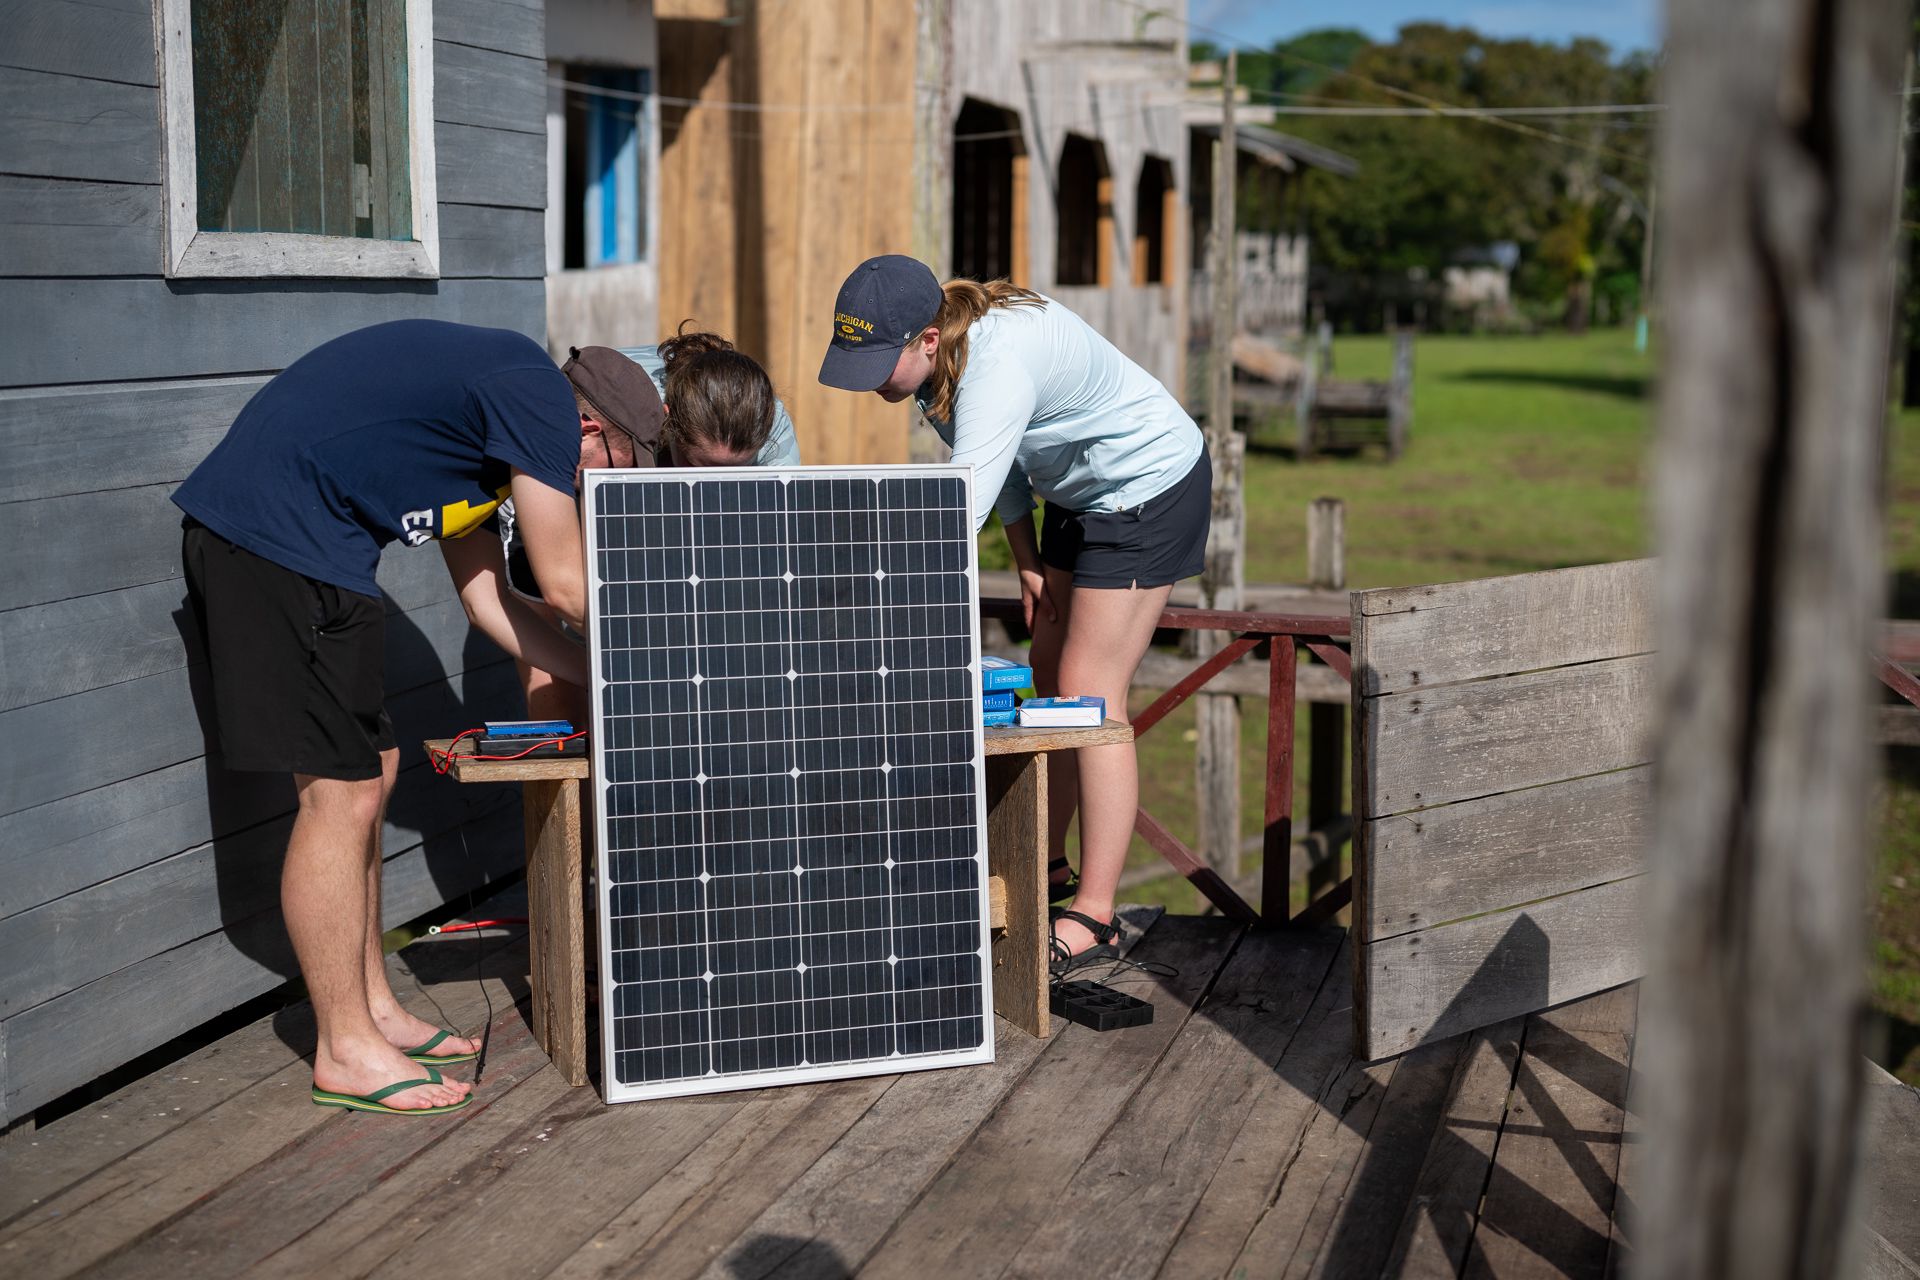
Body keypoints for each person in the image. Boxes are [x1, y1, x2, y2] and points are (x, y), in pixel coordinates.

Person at [173, 319, 664, 1115]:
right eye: (611, 470)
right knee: (341, 795)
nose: (594, 491)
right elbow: (570, 585)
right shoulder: (535, 396)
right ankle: (344, 1049)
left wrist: (605, 673)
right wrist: (664, 663)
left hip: (308, 547)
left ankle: (373, 1012)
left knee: (376, 771)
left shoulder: (488, 444)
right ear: (591, 428)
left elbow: (487, 604)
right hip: (271, 540)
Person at [818, 256, 1209, 976]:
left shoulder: (995, 367)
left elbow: (951, 516)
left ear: (927, 340)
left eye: (879, 362)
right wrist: (1027, 557)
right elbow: (1005, 474)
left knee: (1089, 696)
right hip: (1076, 490)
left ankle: (1095, 915)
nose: (871, 380)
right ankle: (1047, 867)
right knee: (1047, 676)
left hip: (1148, 483)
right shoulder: (943, 371)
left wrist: (850, 608)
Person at [509, 327, 797, 726]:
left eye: (735, 474)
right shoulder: (618, 413)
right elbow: (565, 591)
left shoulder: (766, 424)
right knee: (564, 707)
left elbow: (770, 560)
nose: (716, 488)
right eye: (703, 469)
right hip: (569, 498)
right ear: (667, 426)